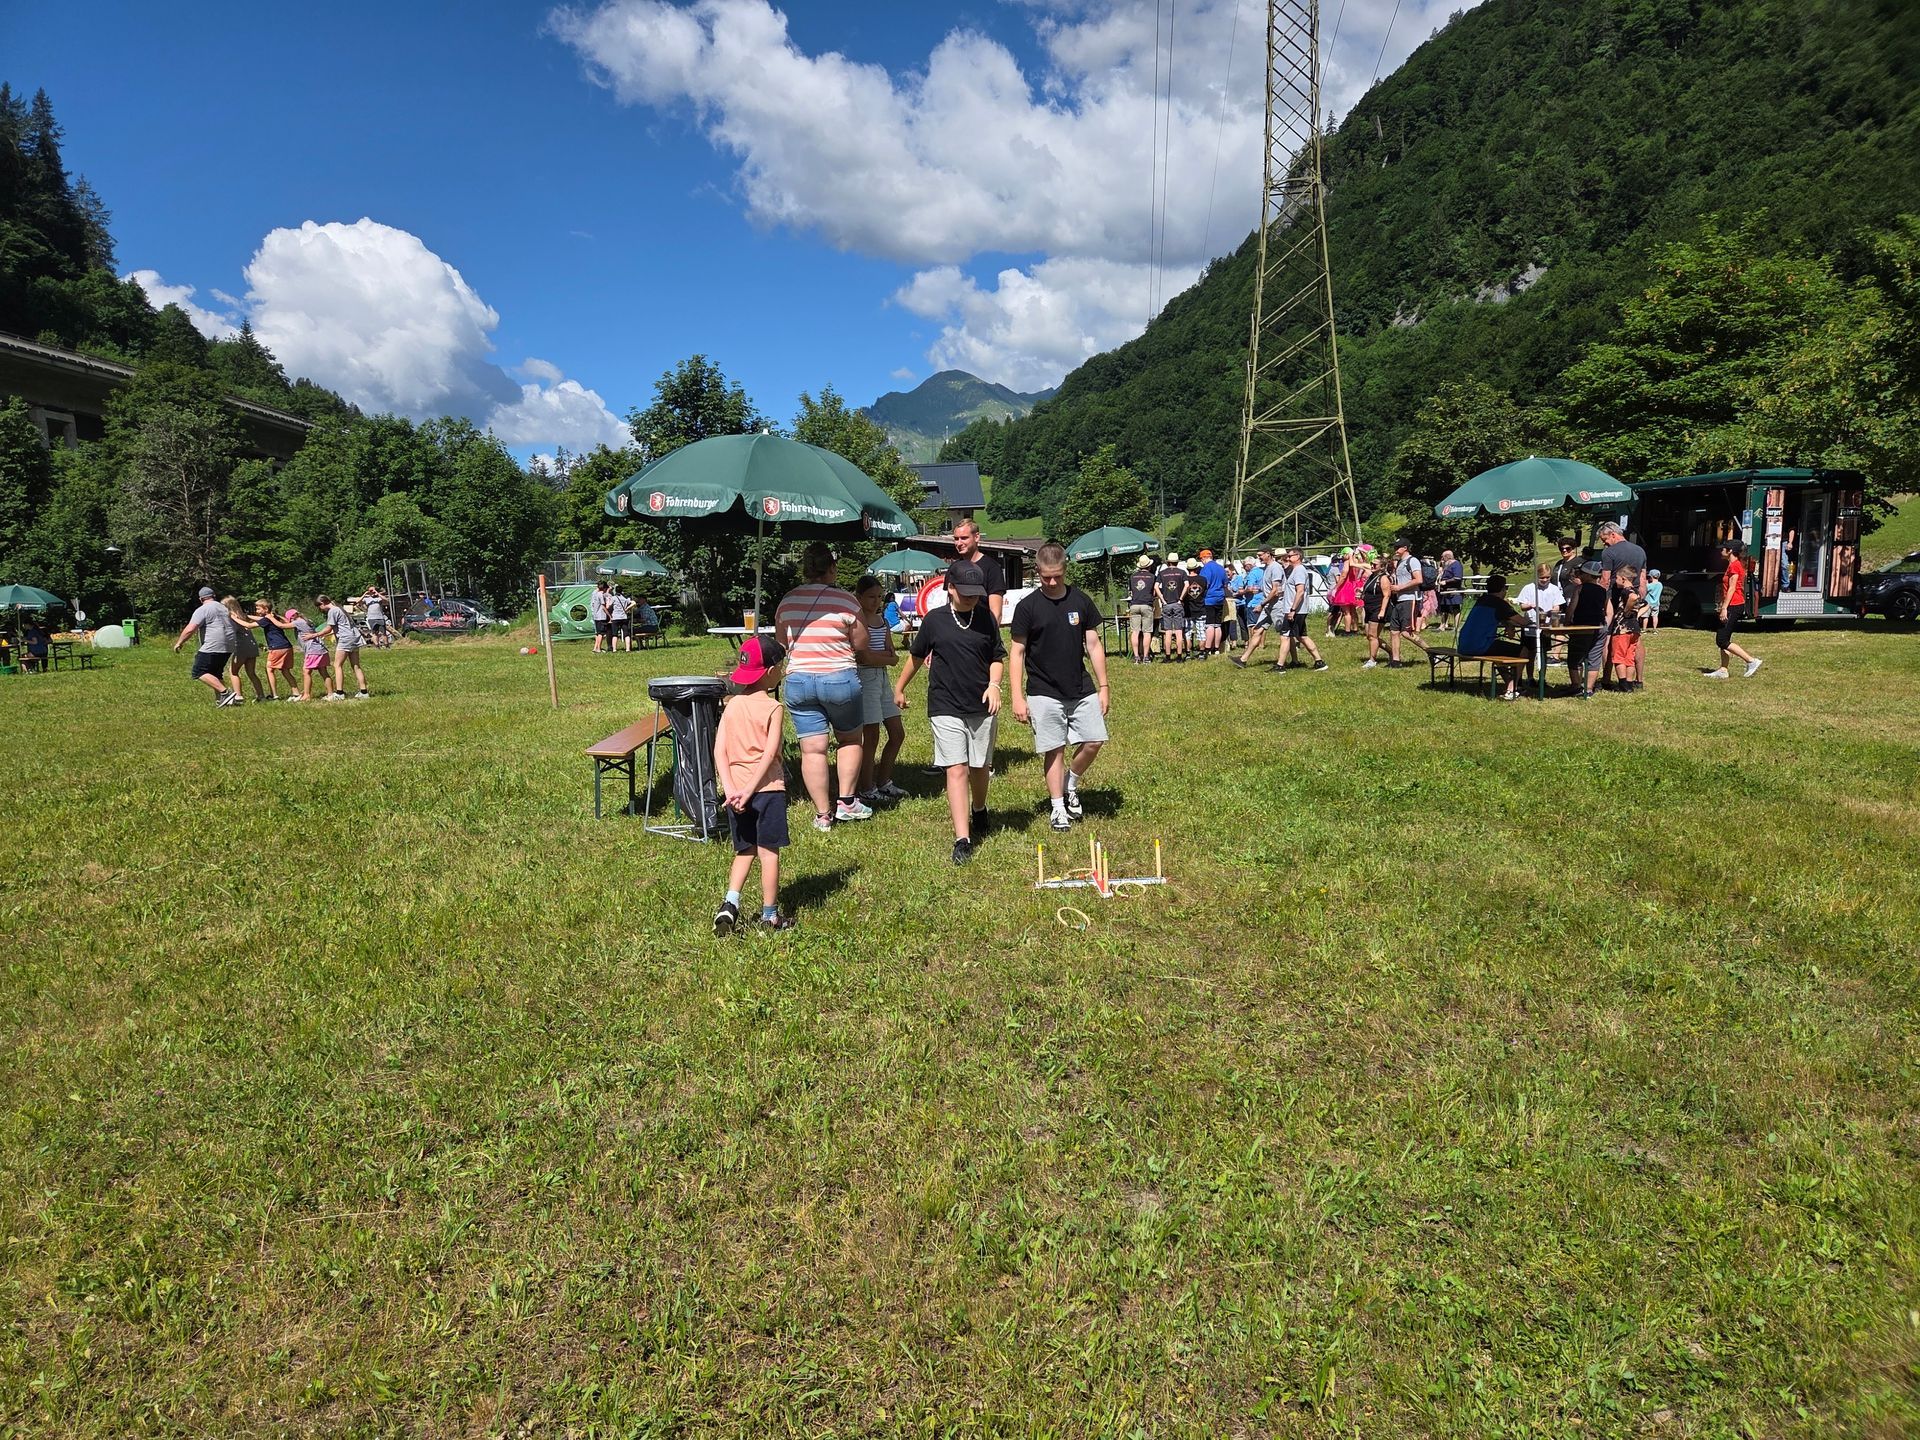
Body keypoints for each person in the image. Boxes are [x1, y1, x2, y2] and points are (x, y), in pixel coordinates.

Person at [895, 560, 1005, 865]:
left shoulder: (986, 618)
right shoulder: (935, 620)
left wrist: (994, 685)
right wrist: (899, 688)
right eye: (965, 592)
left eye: (975, 593)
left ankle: (979, 809)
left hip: (981, 704)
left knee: (979, 767)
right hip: (945, 703)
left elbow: (997, 657)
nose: (971, 598)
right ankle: (962, 839)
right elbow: (916, 657)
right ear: (950, 588)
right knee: (956, 768)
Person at [1010, 542, 1110, 832]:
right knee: (1054, 749)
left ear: (1065, 570)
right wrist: (1017, 696)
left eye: (1057, 576)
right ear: (1037, 571)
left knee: (1094, 740)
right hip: (1042, 689)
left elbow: (1093, 644)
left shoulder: (1081, 601)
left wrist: (1104, 686)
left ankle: (1071, 783)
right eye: (1046, 577)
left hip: (1080, 686)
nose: (1052, 582)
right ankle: (1057, 807)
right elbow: (1017, 652)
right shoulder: (1027, 607)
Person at [773, 543, 871, 829]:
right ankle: (847, 802)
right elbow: (861, 642)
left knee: (812, 750)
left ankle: (822, 814)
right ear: (832, 568)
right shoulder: (845, 600)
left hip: (799, 680)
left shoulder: (787, 600)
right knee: (850, 740)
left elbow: (780, 643)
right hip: (838, 677)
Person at [711, 635, 795, 935]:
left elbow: (719, 751)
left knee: (744, 850)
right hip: (767, 791)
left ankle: (729, 903)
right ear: (771, 672)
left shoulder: (732, 705)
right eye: (780, 667)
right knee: (768, 852)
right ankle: (770, 916)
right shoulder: (773, 707)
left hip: (735, 793)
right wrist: (750, 790)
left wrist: (732, 788)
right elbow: (771, 754)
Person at [853, 576, 907, 806]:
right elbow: (863, 657)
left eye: (879, 596)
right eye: (871, 597)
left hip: (882, 678)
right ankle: (866, 787)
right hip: (865, 680)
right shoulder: (858, 622)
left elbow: (893, 656)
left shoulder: (882, 621)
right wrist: (883, 657)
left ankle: (884, 780)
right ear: (859, 597)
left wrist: (881, 658)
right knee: (871, 736)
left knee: (897, 733)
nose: (876, 601)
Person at [1456, 574, 1527, 700]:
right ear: (1503, 589)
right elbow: (1523, 622)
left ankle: (1509, 683)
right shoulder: (1500, 604)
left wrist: (1508, 624)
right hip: (1480, 646)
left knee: (1499, 652)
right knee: (1524, 650)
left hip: (1463, 645)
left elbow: (1501, 618)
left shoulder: (1482, 600)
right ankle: (1513, 687)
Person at [173, 585, 239, 706]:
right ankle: (224, 701)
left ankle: (225, 693)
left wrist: (180, 642)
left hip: (213, 644)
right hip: (229, 645)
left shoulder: (203, 609)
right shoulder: (224, 608)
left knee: (198, 671)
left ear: (201, 599)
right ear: (214, 596)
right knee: (216, 673)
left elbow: (191, 628)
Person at [1705, 539, 1763, 680]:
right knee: (1724, 637)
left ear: (1730, 551)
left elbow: (1732, 588)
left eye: (1723, 548)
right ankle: (1723, 670)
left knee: (1722, 640)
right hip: (1731, 604)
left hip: (1734, 605)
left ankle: (1751, 661)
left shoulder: (1735, 566)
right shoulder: (1732, 565)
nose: (1721, 551)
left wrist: (1725, 608)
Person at [1266, 547, 1329, 674]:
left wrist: (1292, 610)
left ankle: (1280, 666)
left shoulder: (1299, 570)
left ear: (1298, 557)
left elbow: (1300, 592)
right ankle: (1319, 662)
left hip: (1295, 611)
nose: (1287, 558)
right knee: (1301, 636)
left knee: (1285, 636)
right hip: (1296, 610)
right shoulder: (1295, 570)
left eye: (1290, 556)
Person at [1383, 539, 1431, 667]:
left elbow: (1418, 579)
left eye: (1397, 547)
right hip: (1399, 600)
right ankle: (1395, 661)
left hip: (1410, 599)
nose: (1395, 550)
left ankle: (1431, 652)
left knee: (1406, 633)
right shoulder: (1400, 562)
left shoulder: (1412, 561)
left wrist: (1400, 587)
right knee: (1394, 631)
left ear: (1405, 548)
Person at [1567, 561, 1609, 698]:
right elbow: (1605, 608)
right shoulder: (1603, 591)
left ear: (1588, 575)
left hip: (1583, 626)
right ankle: (1589, 689)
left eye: (1581, 573)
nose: (1579, 575)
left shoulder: (1580, 589)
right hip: (1600, 626)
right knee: (1594, 658)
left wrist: (1567, 621)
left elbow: (1572, 607)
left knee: (1575, 657)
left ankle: (1576, 685)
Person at [315, 593, 370, 699]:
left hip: (345, 639)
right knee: (356, 665)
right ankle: (364, 692)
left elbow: (328, 628)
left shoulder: (332, 611)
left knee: (337, 665)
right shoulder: (340, 609)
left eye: (319, 606)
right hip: (354, 637)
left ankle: (339, 693)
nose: (320, 609)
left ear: (322, 603)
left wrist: (314, 635)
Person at [1231, 548, 1278, 666]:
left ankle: (1257, 646)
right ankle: (1247, 656)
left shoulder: (1253, 573)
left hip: (1254, 603)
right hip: (1264, 601)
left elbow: (1251, 588)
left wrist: (1241, 592)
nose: (1243, 567)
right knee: (1260, 627)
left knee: (1253, 626)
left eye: (1244, 565)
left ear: (1248, 565)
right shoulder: (1262, 571)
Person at [222, 595, 268, 703]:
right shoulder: (243, 616)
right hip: (252, 647)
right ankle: (261, 696)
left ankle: (238, 696)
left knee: (233, 672)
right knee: (251, 673)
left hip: (241, 647)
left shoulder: (232, 618)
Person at [250, 600, 296, 700]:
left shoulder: (267, 618)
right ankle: (296, 693)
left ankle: (274, 695)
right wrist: (247, 616)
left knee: (269, 670)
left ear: (266, 609)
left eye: (258, 609)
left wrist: (235, 618)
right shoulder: (273, 616)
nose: (256, 611)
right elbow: (260, 619)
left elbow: (249, 626)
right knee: (285, 670)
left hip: (277, 647)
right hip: (287, 646)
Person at [289, 606, 328, 701]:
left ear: (293, 616)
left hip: (312, 651)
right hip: (321, 649)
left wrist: (270, 618)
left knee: (306, 672)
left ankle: (307, 695)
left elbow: (282, 626)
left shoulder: (298, 622)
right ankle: (330, 693)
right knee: (324, 672)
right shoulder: (307, 620)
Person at [1155, 553, 1189, 662]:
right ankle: (1179, 656)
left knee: (1168, 632)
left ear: (1168, 562)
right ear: (1177, 562)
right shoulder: (1182, 572)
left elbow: (1156, 587)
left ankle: (1168, 656)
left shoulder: (1162, 573)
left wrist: (1162, 599)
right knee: (1179, 631)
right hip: (1178, 604)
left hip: (1167, 604)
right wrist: (1181, 599)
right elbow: (1187, 585)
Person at [1360, 554, 1391, 668]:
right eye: (1371, 564)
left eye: (1375, 564)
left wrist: (1382, 611)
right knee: (1370, 635)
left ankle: (1372, 660)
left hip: (1377, 609)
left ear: (1382, 567)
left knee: (1373, 636)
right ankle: (1392, 652)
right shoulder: (1372, 576)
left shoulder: (1383, 578)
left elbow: (1386, 595)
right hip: (1368, 608)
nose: (1372, 566)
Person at [1126, 554, 1158, 664]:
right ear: (1149, 566)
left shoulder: (1132, 577)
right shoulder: (1152, 577)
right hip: (1147, 605)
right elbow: (1154, 592)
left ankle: (1136, 657)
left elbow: (1131, 591)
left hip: (1134, 605)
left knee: (1135, 632)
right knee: (1147, 632)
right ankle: (1145, 657)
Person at [1198, 548, 1228, 658]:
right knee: (1218, 625)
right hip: (1220, 598)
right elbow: (1225, 584)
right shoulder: (1220, 568)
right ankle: (1216, 648)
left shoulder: (1206, 568)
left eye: (1201, 559)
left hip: (1209, 598)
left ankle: (1208, 648)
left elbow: (1204, 584)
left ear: (1204, 558)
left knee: (1209, 625)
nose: (1201, 561)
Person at [1436, 550, 1465, 630]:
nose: (1442, 559)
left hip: (1453, 590)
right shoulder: (1446, 565)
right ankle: (1442, 626)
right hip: (1445, 591)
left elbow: (1457, 578)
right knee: (1444, 609)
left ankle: (1457, 627)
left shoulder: (1456, 565)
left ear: (1447, 557)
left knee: (1455, 608)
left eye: (1443, 557)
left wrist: (1446, 582)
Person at [607, 585, 632, 652]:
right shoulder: (625, 598)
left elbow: (608, 606)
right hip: (624, 617)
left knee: (615, 634)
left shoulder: (614, 598)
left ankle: (614, 649)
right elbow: (631, 603)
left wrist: (608, 599)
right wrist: (627, 608)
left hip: (615, 617)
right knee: (626, 634)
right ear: (622, 591)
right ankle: (628, 649)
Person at [589, 580, 611, 653]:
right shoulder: (601, 595)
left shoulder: (595, 594)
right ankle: (598, 649)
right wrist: (609, 615)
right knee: (601, 633)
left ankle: (596, 648)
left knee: (598, 633)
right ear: (604, 588)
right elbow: (604, 606)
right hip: (601, 616)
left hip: (596, 616)